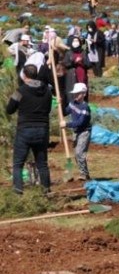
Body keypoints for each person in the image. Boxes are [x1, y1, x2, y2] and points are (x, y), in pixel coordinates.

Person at [7, 64, 53, 194]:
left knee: (18, 164)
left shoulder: (20, 91)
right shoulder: (47, 91)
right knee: (42, 164)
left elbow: (9, 109)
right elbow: (48, 109)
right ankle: (46, 191)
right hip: (42, 129)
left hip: (25, 129)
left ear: (24, 75)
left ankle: (18, 191)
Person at [63, 82, 92, 180]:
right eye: (75, 93)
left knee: (80, 152)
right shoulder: (72, 103)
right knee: (76, 154)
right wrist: (60, 104)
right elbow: (65, 112)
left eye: (78, 93)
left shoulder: (85, 107)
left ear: (84, 94)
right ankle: (84, 173)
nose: (75, 95)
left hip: (84, 132)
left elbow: (81, 122)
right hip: (76, 131)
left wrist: (67, 124)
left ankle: (84, 174)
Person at [62, 35, 90, 109]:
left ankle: (83, 105)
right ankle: (72, 106)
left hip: (82, 74)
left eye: (77, 41)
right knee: (73, 89)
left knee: (82, 89)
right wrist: (74, 62)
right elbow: (65, 64)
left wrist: (82, 61)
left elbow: (89, 64)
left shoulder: (83, 52)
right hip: (72, 75)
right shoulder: (68, 53)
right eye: (74, 41)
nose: (76, 42)